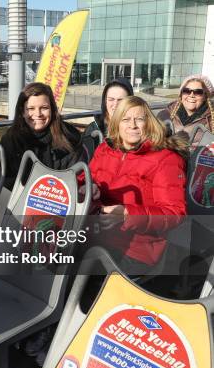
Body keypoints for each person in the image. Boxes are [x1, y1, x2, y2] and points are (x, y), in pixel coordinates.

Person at [88, 96, 188, 273]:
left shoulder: (166, 159)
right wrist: (87, 187)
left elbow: (174, 214)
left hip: (137, 248)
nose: (132, 125)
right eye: (125, 119)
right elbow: (86, 177)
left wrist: (127, 214)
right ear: (117, 123)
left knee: (84, 281)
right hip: (95, 234)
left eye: (139, 119)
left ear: (148, 123)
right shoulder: (105, 149)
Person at [0, 82, 84, 191]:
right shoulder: (10, 139)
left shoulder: (70, 137)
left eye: (44, 108)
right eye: (31, 108)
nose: (38, 114)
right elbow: (3, 178)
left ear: (52, 109)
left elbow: (77, 177)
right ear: (22, 112)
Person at [83, 78, 133, 158]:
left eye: (120, 100)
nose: (115, 104)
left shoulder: (137, 129)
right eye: (111, 99)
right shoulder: (94, 129)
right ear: (105, 102)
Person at [157, 74, 214, 144]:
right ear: (181, 94)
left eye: (198, 92)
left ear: (205, 96)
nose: (191, 95)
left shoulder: (211, 120)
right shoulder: (164, 115)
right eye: (186, 91)